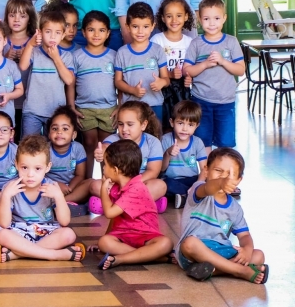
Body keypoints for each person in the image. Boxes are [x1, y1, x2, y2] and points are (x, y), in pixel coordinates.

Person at [176, 148, 268, 283]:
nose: (224, 177)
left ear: (238, 180)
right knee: (189, 243)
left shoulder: (235, 208)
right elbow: (207, 189)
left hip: (223, 251)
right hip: (195, 252)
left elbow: (244, 235)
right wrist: (220, 183)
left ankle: (212, 270)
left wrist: (247, 250)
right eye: (218, 171)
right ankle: (239, 270)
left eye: (231, 175)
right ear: (206, 170)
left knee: (258, 255)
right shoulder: (198, 189)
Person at [0, 136, 86, 263]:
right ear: (16, 164)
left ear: (48, 167)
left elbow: (64, 221)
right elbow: (4, 224)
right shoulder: (10, 188)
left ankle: (19, 254)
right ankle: (54, 255)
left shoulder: (51, 187)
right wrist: (5, 196)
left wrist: (59, 197)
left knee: (68, 234)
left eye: (37, 168)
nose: (30, 174)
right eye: (24, 168)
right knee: (2, 235)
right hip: (19, 233)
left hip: (46, 232)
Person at [96, 139, 174, 270]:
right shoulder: (117, 187)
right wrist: (107, 236)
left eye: (105, 164)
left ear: (115, 170)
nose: (103, 167)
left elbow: (109, 213)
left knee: (166, 243)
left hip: (146, 237)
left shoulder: (136, 189)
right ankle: (151, 256)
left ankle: (121, 259)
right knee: (104, 242)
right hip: (124, 236)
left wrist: (103, 189)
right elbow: (115, 217)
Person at [183, 0, 244, 148]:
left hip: (226, 102)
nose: (211, 23)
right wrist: (204, 64)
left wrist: (223, 61)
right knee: (203, 141)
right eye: (206, 19)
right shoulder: (196, 43)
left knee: (225, 142)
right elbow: (187, 70)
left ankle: (222, 170)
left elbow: (241, 70)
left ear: (224, 18)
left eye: (216, 18)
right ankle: (206, 171)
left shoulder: (231, 41)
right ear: (199, 19)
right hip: (201, 100)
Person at [68, 11, 118, 179]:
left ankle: (107, 182)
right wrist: (71, 106)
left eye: (101, 30)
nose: (96, 34)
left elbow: (120, 83)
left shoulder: (113, 56)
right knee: (89, 145)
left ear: (108, 33)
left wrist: (120, 106)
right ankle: (87, 182)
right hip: (84, 108)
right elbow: (71, 83)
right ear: (83, 32)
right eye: (91, 30)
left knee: (106, 147)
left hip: (108, 108)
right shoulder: (77, 56)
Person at [90, 101, 167, 208]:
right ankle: (145, 205)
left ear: (143, 125)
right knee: (95, 186)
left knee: (160, 185)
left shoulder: (153, 143)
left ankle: (112, 206)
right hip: (117, 186)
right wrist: (101, 152)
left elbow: (153, 171)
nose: (124, 129)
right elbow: (106, 147)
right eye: (121, 124)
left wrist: (131, 183)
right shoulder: (113, 139)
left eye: (130, 124)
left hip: (140, 184)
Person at [18, 10, 75, 137]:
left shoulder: (66, 56)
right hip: (32, 111)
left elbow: (69, 80)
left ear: (63, 35)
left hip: (56, 113)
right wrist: (30, 45)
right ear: (40, 32)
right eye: (48, 32)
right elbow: (22, 66)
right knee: (29, 145)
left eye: (58, 33)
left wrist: (56, 58)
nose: (53, 37)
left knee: (53, 147)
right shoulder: (34, 52)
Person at [114, 2, 170, 121]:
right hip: (130, 107)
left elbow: (166, 79)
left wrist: (162, 83)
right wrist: (132, 90)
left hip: (154, 105)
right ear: (127, 26)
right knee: (131, 138)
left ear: (152, 26)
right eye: (135, 26)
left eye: (145, 26)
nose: (140, 31)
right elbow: (118, 81)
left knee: (154, 137)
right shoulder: (122, 52)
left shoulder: (157, 50)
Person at [152, 0, 196, 133]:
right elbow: (151, 68)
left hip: (184, 91)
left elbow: (195, 67)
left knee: (183, 124)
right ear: (163, 18)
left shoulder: (190, 42)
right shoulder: (157, 40)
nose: (174, 20)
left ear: (186, 17)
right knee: (165, 125)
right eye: (169, 16)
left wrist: (190, 77)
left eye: (179, 15)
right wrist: (169, 74)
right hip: (164, 90)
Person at [161, 100, 208, 209]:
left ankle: (185, 197)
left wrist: (198, 184)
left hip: (191, 179)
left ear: (196, 126)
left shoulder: (197, 142)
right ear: (172, 122)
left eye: (190, 125)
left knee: (206, 182)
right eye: (180, 123)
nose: (185, 129)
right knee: (164, 183)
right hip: (172, 180)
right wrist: (168, 153)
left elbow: (204, 169)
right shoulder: (166, 140)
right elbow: (161, 169)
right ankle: (192, 197)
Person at [3, 0, 38, 137]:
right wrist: (6, 58)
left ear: (29, 19)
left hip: (29, 103)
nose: (16, 20)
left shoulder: (35, 42)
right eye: (12, 15)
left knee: (26, 138)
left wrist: (27, 55)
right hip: (7, 101)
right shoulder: (1, 40)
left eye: (22, 16)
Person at [45, 106, 91, 204]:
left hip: (71, 188)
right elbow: (39, 175)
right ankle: (63, 202)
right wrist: (56, 184)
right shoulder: (44, 149)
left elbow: (80, 175)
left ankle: (62, 201)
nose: (59, 132)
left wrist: (69, 188)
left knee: (90, 183)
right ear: (49, 134)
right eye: (54, 128)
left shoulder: (78, 148)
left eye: (65, 129)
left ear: (74, 134)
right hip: (50, 186)